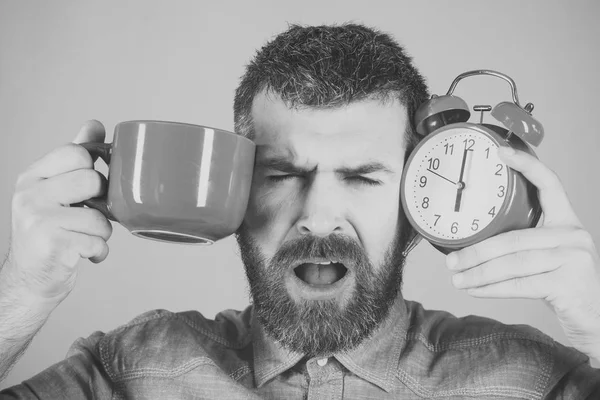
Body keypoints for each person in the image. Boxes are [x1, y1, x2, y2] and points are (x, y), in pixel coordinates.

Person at [1, 23, 599, 399]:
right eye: (281, 174)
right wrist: (23, 290)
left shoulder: (534, 381)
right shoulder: (130, 370)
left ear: (417, 204)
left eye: (363, 176)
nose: (319, 216)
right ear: (234, 189)